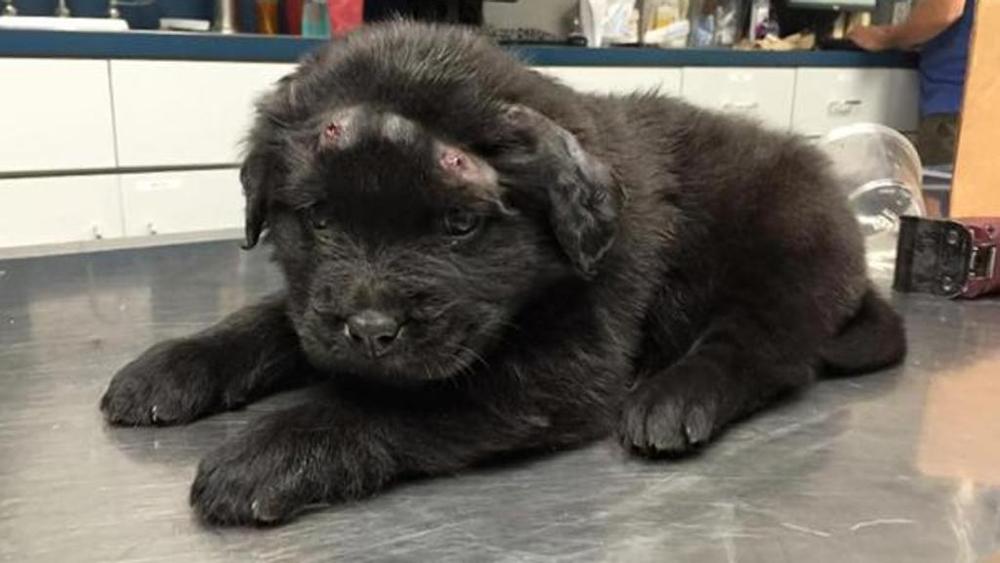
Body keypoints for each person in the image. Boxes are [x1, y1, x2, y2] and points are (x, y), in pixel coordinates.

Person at [848, 0, 976, 166]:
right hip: (980, 102)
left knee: (943, 181)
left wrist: (885, 37)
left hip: (953, 107)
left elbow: (946, 11)